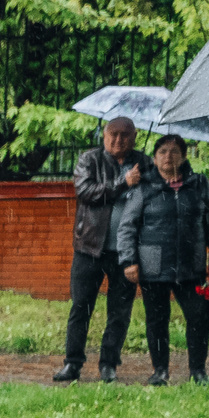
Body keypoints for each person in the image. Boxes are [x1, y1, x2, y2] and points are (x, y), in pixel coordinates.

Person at [117, 132, 209, 385]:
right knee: (157, 320)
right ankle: (160, 371)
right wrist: (128, 260)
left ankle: (198, 372)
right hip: (153, 265)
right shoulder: (144, 187)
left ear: (184, 156)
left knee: (199, 318)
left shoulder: (199, 184)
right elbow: (127, 227)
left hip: (192, 265)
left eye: (174, 151)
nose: (168, 156)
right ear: (154, 159)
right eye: (162, 152)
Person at [56, 116, 147, 382]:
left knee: (119, 311)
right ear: (104, 135)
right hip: (89, 248)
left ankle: (109, 364)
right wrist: (123, 182)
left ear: (135, 137)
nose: (118, 140)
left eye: (125, 135)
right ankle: (72, 364)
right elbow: (86, 192)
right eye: (113, 134)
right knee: (80, 307)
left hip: (126, 254)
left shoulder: (144, 163)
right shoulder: (90, 160)